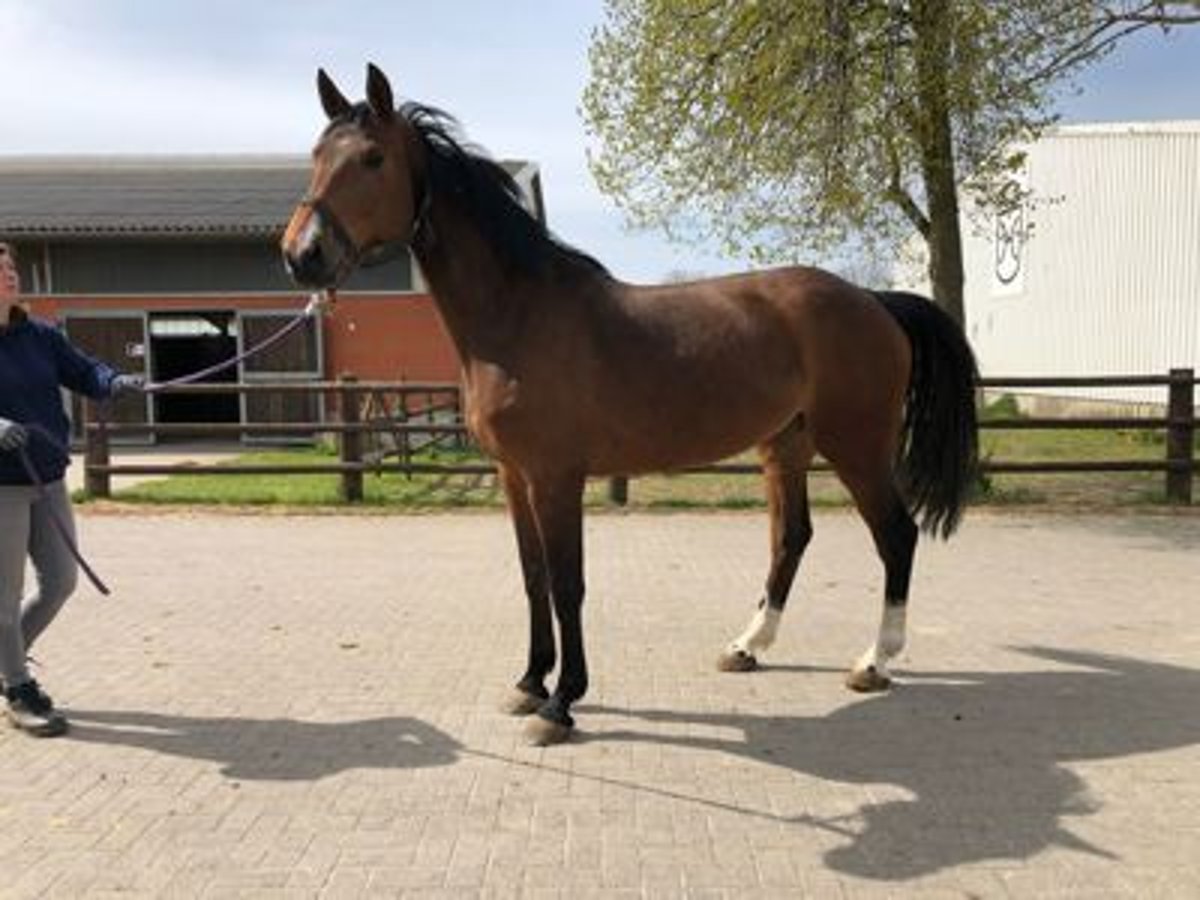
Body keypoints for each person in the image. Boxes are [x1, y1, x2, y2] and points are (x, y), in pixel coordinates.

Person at [0, 241, 143, 736]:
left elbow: (84, 370)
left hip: (49, 479)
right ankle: (18, 689)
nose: (10, 275)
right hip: (3, 487)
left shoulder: (40, 335)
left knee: (60, 582)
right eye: (0, 270)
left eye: (11, 267)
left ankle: (6, 660)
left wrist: (114, 380)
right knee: (5, 593)